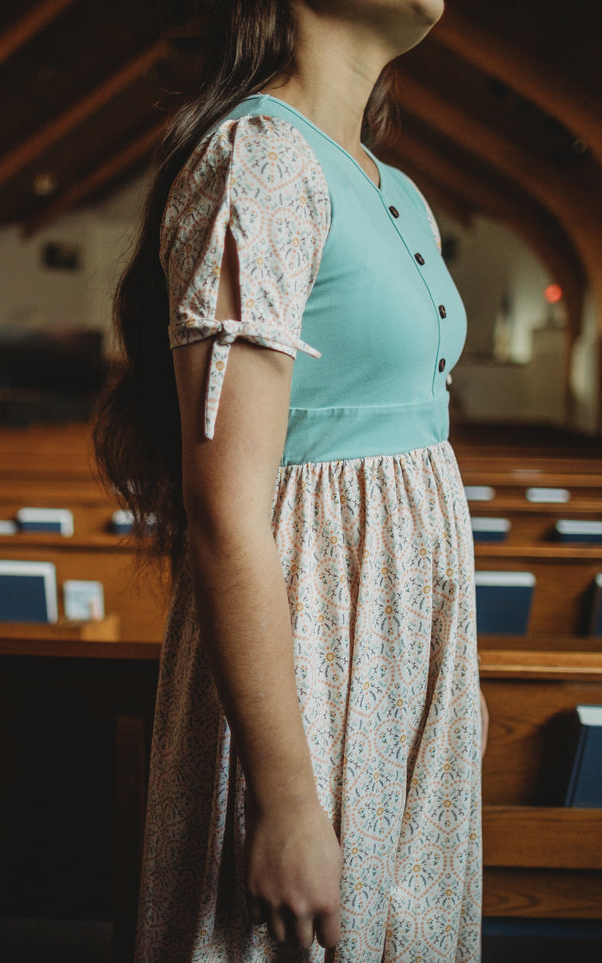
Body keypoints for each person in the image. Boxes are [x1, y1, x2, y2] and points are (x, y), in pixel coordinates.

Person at [93, 0, 486, 959]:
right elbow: (226, 506)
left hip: (396, 642)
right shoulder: (260, 160)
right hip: (313, 634)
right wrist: (286, 798)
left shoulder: (394, 186)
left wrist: (444, 683)